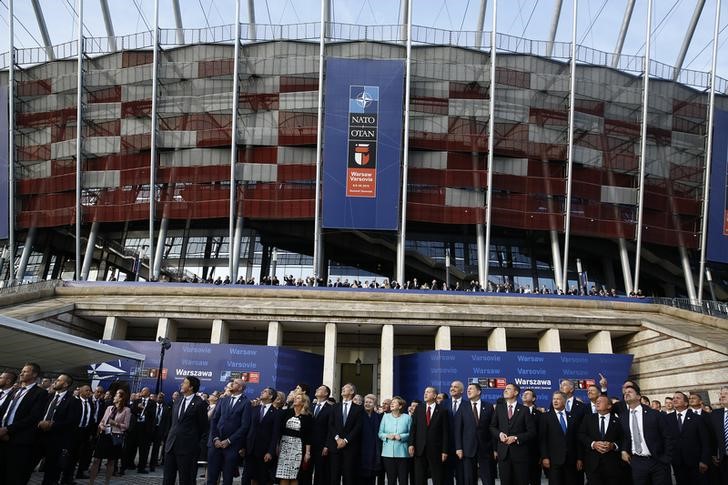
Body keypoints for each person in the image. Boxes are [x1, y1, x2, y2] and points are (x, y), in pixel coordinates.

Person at [0, 363, 50, 485]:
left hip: (20, 441)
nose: (21, 373)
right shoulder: (15, 390)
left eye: (25, 371)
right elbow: (5, 411)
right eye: (22, 371)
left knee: (15, 476)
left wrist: (8, 429)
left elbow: (33, 417)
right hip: (3, 437)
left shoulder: (40, 393)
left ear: (34, 374)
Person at [619, 384, 673, 485]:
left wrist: (666, 458)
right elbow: (625, 436)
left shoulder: (655, 414)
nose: (626, 394)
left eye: (630, 392)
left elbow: (667, 436)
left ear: (639, 397)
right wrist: (623, 450)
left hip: (658, 461)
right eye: (625, 393)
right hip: (637, 462)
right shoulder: (623, 417)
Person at [163, 376, 209, 485]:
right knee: (167, 478)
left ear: (191, 387)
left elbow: (204, 428)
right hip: (171, 446)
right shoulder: (178, 400)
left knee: (186, 479)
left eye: (185, 383)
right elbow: (172, 423)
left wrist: (197, 448)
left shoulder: (199, 403)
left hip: (188, 449)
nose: (182, 384)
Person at [36, 373, 82, 485]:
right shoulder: (48, 396)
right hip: (39, 436)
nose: (55, 381)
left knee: (51, 474)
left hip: (56, 441)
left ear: (65, 384)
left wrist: (52, 425)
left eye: (58, 380)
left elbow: (72, 422)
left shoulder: (73, 401)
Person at [489, 382, 536, 485]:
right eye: (505, 388)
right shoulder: (499, 408)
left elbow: (532, 432)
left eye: (509, 388)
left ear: (516, 392)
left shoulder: (524, 410)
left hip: (520, 455)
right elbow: (492, 427)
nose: (505, 390)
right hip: (503, 455)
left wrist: (516, 438)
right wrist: (499, 434)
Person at [207, 378, 251, 485]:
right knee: (211, 478)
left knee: (227, 478)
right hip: (216, 444)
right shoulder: (223, 400)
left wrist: (229, 441)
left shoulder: (246, 403)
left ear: (240, 388)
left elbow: (245, 426)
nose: (231, 384)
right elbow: (214, 420)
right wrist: (216, 438)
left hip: (232, 446)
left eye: (235, 383)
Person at [578, 395, 624, 485]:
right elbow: (581, 435)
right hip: (592, 465)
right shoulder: (588, 418)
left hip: (612, 466)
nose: (597, 402)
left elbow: (623, 439)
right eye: (597, 401)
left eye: (601, 401)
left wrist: (613, 446)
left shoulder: (618, 421)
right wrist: (593, 444)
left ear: (609, 406)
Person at [454, 382, 494, 485]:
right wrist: (458, 447)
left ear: (479, 391)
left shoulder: (489, 407)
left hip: (485, 448)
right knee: (469, 478)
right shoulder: (463, 407)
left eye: (471, 389)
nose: (468, 390)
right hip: (468, 448)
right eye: (467, 389)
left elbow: (493, 428)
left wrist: (495, 449)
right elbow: (458, 429)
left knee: (488, 478)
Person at [89, 389, 131, 485]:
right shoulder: (109, 408)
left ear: (121, 398)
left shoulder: (126, 410)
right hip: (104, 435)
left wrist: (115, 423)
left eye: (116, 395)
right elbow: (103, 420)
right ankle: (91, 482)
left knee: (111, 461)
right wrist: (101, 425)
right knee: (96, 459)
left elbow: (126, 426)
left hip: (115, 437)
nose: (114, 397)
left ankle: (107, 482)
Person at [408, 386, 449, 485]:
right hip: (420, 448)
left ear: (435, 395)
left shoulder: (443, 411)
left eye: (428, 392)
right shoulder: (419, 408)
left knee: (437, 477)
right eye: (425, 392)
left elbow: (445, 432)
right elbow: (413, 428)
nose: (425, 394)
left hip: (436, 450)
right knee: (420, 478)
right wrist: (411, 444)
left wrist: (444, 450)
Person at [667, 391, 710, 485]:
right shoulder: (667, 418)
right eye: (674, 398)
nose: (674, 399)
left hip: (696, 463)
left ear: (686, 403)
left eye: (678, 398)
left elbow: (705, 441)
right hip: (676, 462)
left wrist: (704, 460)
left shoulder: (697, 418)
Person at [539, 391, 581, 485]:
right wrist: (545, 457)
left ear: (564, 401)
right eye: (554, 399)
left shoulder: (572, 417)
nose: (555, 401)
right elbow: (543, 439)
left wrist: (579, 458)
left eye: (558, 399)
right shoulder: (545, 417)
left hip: (571, 460)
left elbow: (576, 439)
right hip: (553, 460)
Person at [327, 383, 363, 485]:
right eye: (342, 388)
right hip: (335, 446)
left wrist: (346, 440)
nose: (342, 388)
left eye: (345, 388)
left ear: (352, 392)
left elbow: (358, 427)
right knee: (334, 476)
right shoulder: (335, 406)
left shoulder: (359, 408)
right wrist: (338, 439)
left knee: (349, 476)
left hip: (350, 447)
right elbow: (331, 424)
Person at [245, 386, 281, 485]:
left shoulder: (276, 413)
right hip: (250, 449)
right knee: (248, 477)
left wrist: (270, 452)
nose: (261, 392)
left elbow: (275, 434)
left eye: (265, 391)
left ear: (270, 396)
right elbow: (247, 429)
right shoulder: (254, 409)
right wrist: (243, 447)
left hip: (264, 451)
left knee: (262, 478)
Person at [276, 393, 313, 485]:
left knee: (295, 474)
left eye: (298, 398)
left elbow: (309, 436)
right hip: (284, 445)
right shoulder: (287, 412)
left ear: (303, 402)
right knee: (283, 473)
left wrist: (307, 453)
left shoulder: (308, 417)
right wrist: (277, 445)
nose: (295, 399)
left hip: (298, 447)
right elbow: (279, 430)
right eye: (295, 398)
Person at [379, 396, 411, 485]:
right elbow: (380, 433)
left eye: (394, 402)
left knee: (403, 480)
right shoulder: (385, 417)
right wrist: (387, 436)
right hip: (387, 453)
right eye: (391, 402)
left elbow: (411, 434)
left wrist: (401, 436)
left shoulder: (407, 417)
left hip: (403, 453)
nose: (392, 404)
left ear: (400, 406)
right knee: (391, 480)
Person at [307, 385, 333, 485]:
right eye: (317, 388)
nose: (317, 389)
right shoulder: (310, 406)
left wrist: (327, 445)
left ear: (326, 393)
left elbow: (331, 429)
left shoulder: (331, 408)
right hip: (308, 445)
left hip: (322, 445)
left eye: (320, 389)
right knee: (306, 471)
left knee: (320, 472)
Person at [129, 386, 156, 473]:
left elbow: (152, 414)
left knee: (144, 450)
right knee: (132, 448)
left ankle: (141, 468)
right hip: (136, 428)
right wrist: (138, 408)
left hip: (145, 429)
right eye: (142, 391)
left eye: (144, 391)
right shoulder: (136, 401)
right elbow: (132, 410)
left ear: (148, 392)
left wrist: (143, 408)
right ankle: (130, 464)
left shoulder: (152, 403)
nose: (142, 392)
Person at [706, 386, 728, 485]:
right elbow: (712, 436)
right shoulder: (715, 414)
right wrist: (714, 454)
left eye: (726, 393)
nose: (722, 395)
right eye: (721, 393)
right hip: (724, 459)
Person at [359, 394, 382, 485]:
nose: (367, 404)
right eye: (366, 402)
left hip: (373, 450)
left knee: (372, 476)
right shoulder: (359, 415)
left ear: (375, 404)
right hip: (361, 449)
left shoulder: (378, 416)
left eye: (370, 402)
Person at [446, 381, 465, 485]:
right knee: (447, 476)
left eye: (455, 387)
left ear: (462, 391)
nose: (452, 388)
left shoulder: (467, 405)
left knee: (461, 476)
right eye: (451, 386)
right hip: (446, 447)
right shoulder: (444, 404)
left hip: (462, 447)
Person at [150, 392, 171, 472]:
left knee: (156, 449)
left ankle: (153, 465)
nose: (160, 399)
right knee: (146, 448)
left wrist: (165, 432)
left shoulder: (166, 408)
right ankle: (144, 464)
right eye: (159, 397)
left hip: (159, 430)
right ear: (156, 398)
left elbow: (167, 421)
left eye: (162, 397)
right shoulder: (152, 406)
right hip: (150, 430)